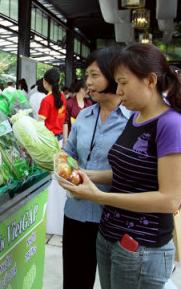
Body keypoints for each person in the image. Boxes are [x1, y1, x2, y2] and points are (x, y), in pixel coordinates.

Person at [60, 43, 181, 289]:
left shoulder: (170, 124)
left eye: (123, 83)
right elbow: (125, 173)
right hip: (112, 236)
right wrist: (87, 174)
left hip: (141, 245)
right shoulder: (136, 118)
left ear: (150, 80)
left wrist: (100, 197)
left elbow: (169, 200)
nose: (120, 91)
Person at [61, 46, 130, 289]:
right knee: (75, 281)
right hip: (76, 214)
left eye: (94, 75)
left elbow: (137, 174)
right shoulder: (85, 116)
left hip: (114, 218)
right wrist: (61, 164)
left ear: (113, 76)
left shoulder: (134, 120)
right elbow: (68, 153)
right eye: (86, 75)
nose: (87, 82)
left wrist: (85, 175)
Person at [38, 69, 66, 142]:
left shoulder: (46, 100)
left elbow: (41, 123)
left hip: (49, 139)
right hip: (60, 138)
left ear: (44, 81)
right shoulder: (63, 96)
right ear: (59, 81)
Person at [62, 79, 92, 146]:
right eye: (87, 89)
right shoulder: (69, 103)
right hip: (72, 137)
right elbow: (65, 122)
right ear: (82, 89)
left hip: (86, 138)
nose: (89, 91)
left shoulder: (89, 104)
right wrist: (65, 141)